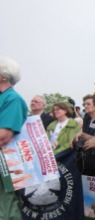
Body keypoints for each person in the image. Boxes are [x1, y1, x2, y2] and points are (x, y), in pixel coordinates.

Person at [0, 56, 27, 220]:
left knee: (6, 208)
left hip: (6, 165)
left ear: (4, 76)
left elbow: (3, 136)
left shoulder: (13, 99)